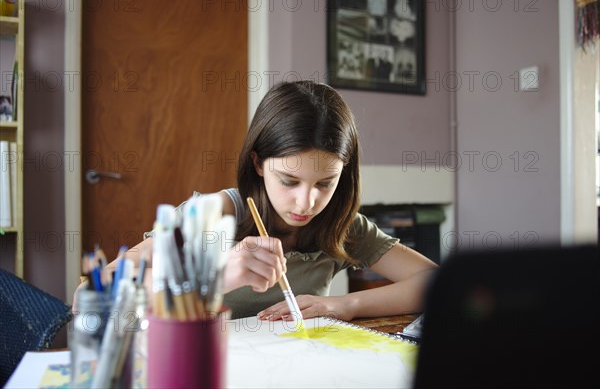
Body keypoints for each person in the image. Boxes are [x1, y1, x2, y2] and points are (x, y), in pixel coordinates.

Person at [93, 80, 438, 321]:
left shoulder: (341, 225)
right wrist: (214, 276)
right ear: (258, 163)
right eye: (289, 181)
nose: (306, 202)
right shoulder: (216, 213)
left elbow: (435, 282)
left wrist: (345, 304)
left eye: (325, 183)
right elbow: (101, 291)